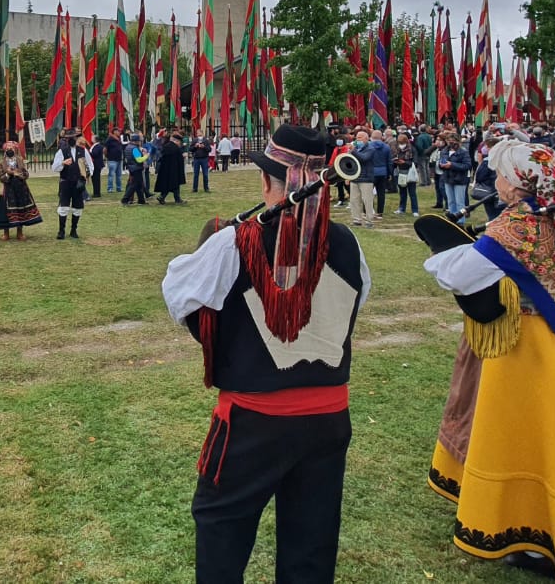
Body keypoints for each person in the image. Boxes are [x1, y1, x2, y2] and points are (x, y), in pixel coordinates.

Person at [161, 125, 371, 583]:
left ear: (266, 182)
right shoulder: (351, 247)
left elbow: (179, 297)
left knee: (222, 531)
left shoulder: (231, 243)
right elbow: (353, 303)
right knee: (311, 544)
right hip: (329, 424)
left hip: (252, 424)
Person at [422, 140, 555, 582]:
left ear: (519, 181)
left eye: (501, 173)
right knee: (551, 434)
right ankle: (545, 521)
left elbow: (461, 272)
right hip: (553, 345)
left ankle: (534, 528)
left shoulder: (522, 224)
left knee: (523, 438)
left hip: (523, 350)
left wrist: (435, 260)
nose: (496, 180)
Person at [0, 141, 41, 241]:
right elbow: (1, 178)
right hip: (8, 188)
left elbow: (26, 174)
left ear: (15, 149)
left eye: (12, 148)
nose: (10, 149)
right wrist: (8, 174)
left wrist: (20, 174)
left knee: (20, 208)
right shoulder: (1, 163)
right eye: (8, 148)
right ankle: (6, 233)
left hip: (20, 187)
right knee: (6, 210)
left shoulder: (20, 159)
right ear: (5, 150)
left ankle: (20, 232)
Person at [52, 130, 93, 240]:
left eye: (73, 138)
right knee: (64, 206)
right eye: (68, 138)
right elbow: (54, 167)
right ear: (66, 139)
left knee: (77, 207)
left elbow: (90, 166)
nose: (71, 140)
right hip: (65, 182)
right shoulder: (62, 151)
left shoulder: (83, 151)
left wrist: (85, 177)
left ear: (77, 138)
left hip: (78, 183)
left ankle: (73, 230)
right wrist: (63, 163)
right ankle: (61, 231)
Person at [436, 134, 471, 216]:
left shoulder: (463, 151)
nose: (450, 142)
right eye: (448, 140)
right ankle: (453, 217)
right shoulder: (444, 151)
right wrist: (441, 165)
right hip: (447, 178)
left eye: (453, 140)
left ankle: (460, 220)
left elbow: (467, 165)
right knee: (451, 201)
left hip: (460, 179)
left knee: (460, 202)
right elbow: (441, 162)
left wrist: (452, 165)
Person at [155, 129, 187, 205]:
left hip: (165, 170)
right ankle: (176, 199)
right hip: (174, 170)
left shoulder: (166, 146)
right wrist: (182, 156)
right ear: (177, 141)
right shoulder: (176, 149)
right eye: (179, 142)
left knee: (168, 185)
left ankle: (163, 197)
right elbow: (178, 160)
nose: (180, 144)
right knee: (174, 185)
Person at [393, 132, 421, 217]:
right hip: (400, 172)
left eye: (402, 143)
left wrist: (405, 162)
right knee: (402, 192)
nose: (401, 145)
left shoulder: (412, 149)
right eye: (399, 143)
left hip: (409, 172)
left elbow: (415, 162)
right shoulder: (397, 149)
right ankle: (402, 208)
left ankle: (415, 210)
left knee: (412, 193)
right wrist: (395, 161)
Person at [121, 134, 150, 206]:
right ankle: (125, 199)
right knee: (133, 185)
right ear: (136, 141)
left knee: (139, 185)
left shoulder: (128, 147)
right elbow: (139, 160)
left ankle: (141, 200)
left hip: (132, 168)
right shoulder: (134, 149)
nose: (140, 142)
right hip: (136, 168)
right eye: (139, 141)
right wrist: (146, 156)